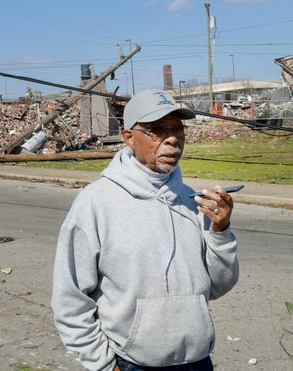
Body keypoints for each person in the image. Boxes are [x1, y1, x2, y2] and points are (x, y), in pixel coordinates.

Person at [52, 90, 240, 371]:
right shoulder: (96, 203)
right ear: (129, 138)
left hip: (198, 361)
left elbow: (218, 285)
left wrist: (220, 231)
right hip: (131, 364)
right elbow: (70, 298)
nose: (173, 138)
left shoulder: (192, 201)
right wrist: (103, 365)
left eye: (177, 128)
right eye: (157, 130)